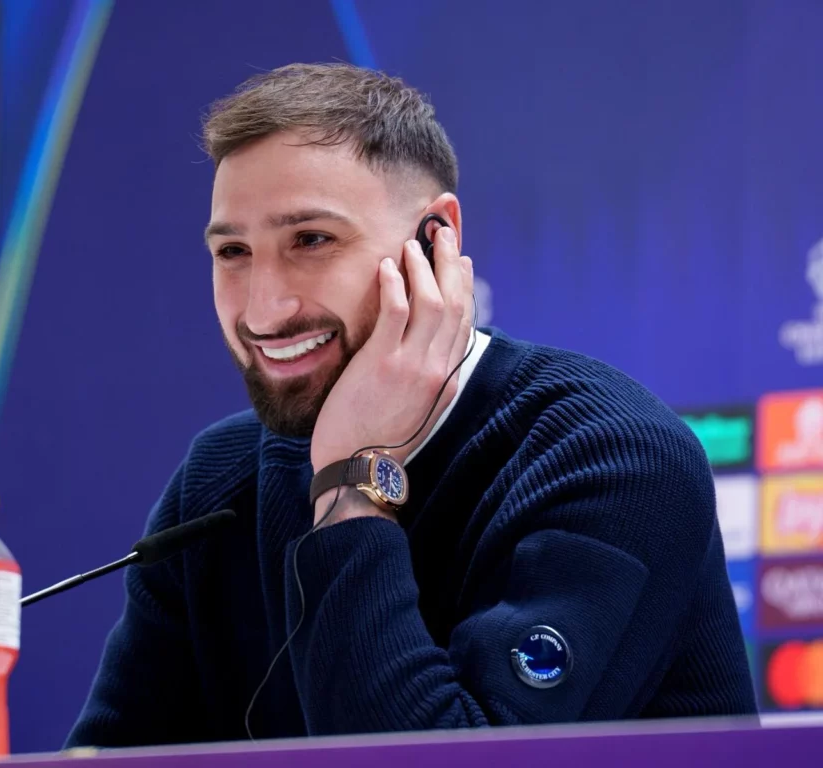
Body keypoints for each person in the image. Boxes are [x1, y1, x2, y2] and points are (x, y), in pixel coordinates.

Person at [66, 62, 757, 748]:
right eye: (233, 251)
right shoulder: (220, 480)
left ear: (436, 238)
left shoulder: (614, 457)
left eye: (312, 240)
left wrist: (351, 483)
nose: (262, 309)